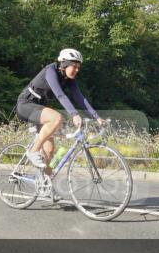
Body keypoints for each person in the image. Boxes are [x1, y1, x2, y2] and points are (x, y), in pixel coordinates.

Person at [15, 48, 105, 176]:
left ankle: (45, 183)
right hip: (26, 105)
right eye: (74, 66)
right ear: (64, 64)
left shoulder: (69, 78)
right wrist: (74, 114)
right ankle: (33, 151)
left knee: (49, 151)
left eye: (78, 67)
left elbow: (80, 98)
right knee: (56, 118)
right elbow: (60, 95)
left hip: (40, 109)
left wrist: (97, 117)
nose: (77, 70)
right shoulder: (50, 71)